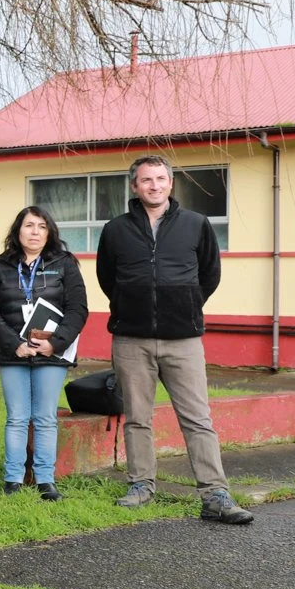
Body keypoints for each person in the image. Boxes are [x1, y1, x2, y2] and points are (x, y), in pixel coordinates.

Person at [97, 155, 254, 523]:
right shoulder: (115, 229)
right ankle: (140, 485)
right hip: (131, 340)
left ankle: (215, 494)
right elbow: (108, 278)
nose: (154, 185)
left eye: (161, 178)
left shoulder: (196, 224)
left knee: (198, 418)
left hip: (183, 339)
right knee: (137, 417)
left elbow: (209, 274)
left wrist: (184, 306)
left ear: (171, 183)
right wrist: (130, 305)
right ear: (134, 186)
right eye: (146, 180)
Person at [0, 205, 88, 499]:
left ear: (49, 231)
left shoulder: (64, 264)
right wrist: (15, 343)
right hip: (13, 351)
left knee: (45, 417)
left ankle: (45, 480)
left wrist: (56, 342)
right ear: (18, 231)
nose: (35, 232)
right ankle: (12, 479)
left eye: (41, 226)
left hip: (52, 352)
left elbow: (77, 309)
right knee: (17, 417)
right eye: (29, 226)